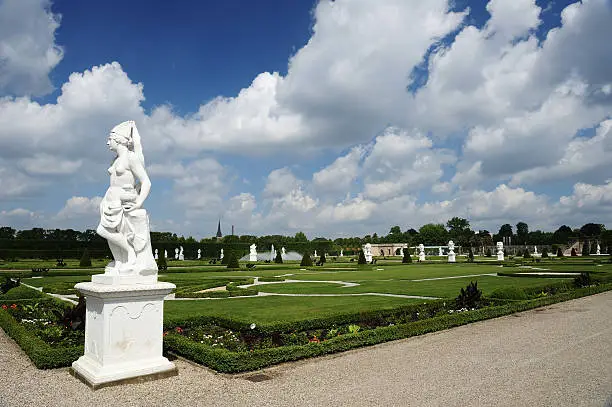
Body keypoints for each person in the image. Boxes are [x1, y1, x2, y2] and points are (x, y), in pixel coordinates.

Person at [97, 120, 155, 275]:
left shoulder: (131, 158)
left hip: (123, 200)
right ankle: (120, 260)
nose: (108, 142)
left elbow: (146, 182)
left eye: (110, 139)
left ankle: (130, 253)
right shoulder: (115, 159)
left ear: (119, 140)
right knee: (109, 232)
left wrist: (138, 203)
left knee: (102, 230)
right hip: (111, 200)